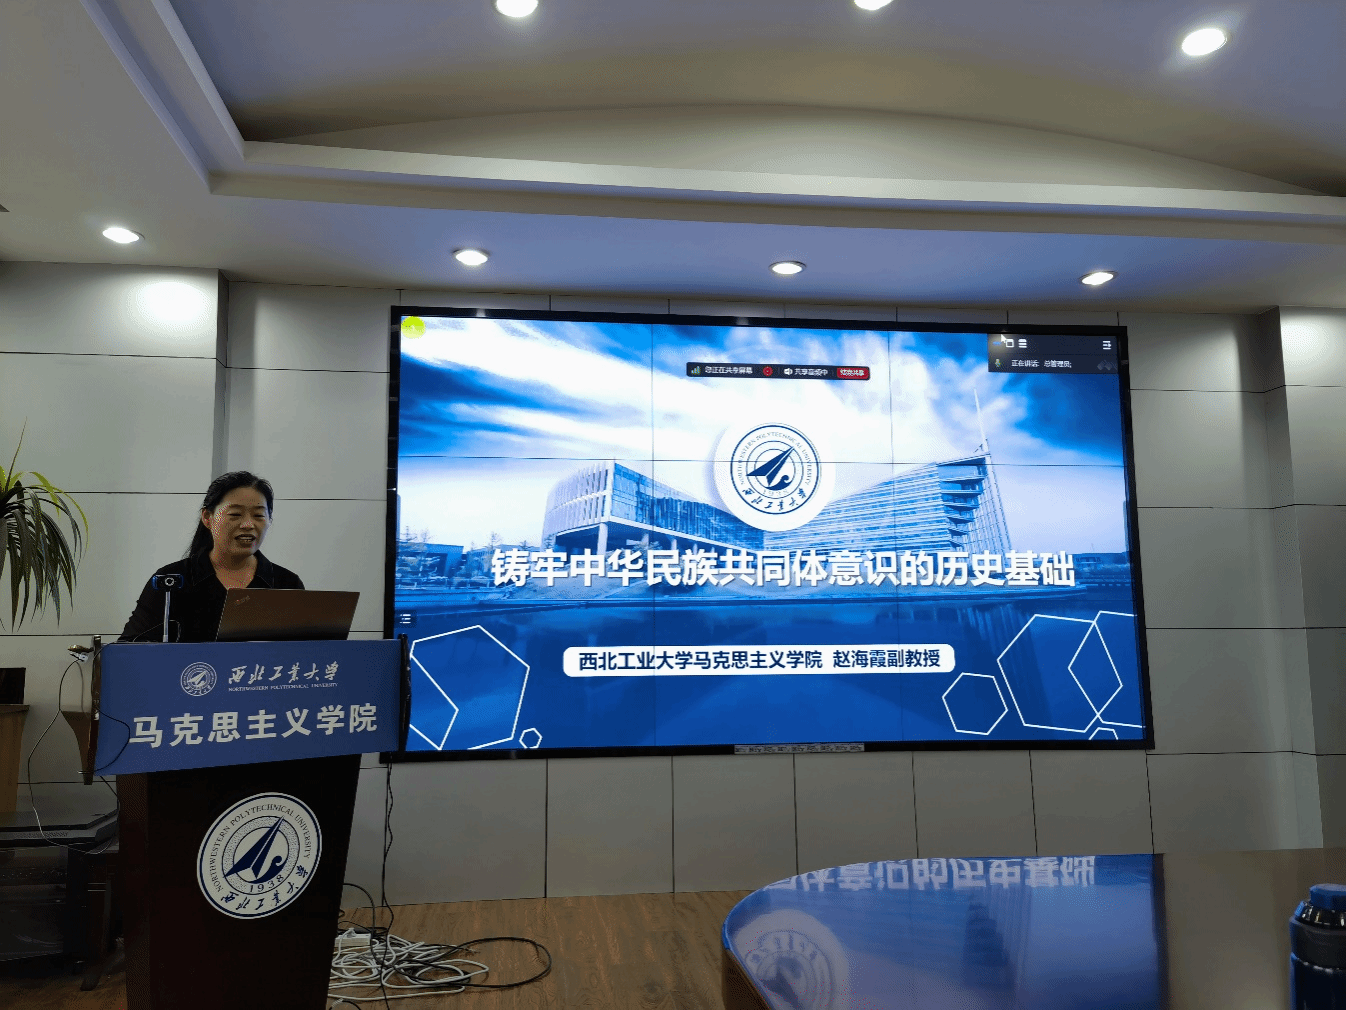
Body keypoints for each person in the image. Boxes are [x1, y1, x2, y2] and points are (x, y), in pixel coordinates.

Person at [119, 471, 304, 642]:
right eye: (235, 514)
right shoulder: (171, 582)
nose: (248, 524)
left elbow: (304, 654)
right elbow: (129, 647)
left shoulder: (287, 584)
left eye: (258, 515)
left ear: (270, 520)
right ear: (207, 517)